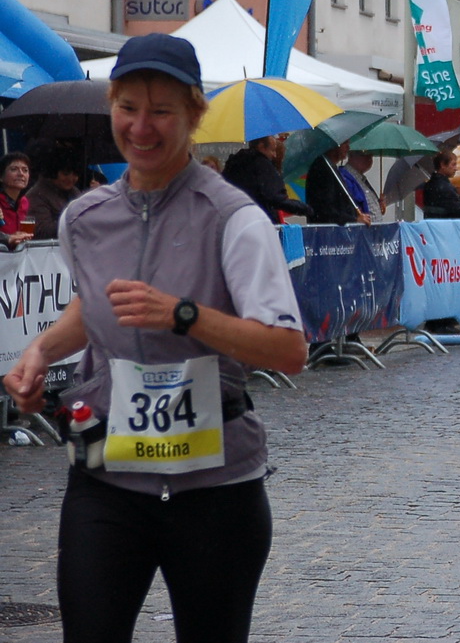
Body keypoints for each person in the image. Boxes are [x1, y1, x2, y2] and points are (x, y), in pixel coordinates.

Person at [2, 33, 306, 643]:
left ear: (194, 114)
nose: (142, 126)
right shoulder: (85, 220)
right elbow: (97, 306)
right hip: (106, 475)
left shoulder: (234, 218)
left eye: (162, 111)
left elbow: (288, 350)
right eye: (128, 108)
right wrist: (38, 352)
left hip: (215, 487)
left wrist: (186, 316)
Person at [223, 134, 310, 222]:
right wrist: (306, 209)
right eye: (272, 150)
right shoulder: (262, 164)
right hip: (260, 220)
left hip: (235, 220)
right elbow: (276, 198)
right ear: (261, 146)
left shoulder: (234, 164)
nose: (274, 155)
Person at [305, 142, 369, 226]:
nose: (348, 147)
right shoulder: (322, 168)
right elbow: (325, 209)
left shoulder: (332, 167)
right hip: (327, 232)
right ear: (334, 144)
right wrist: (353, 219)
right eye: (345, 143)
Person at [421, 151, 460, 219]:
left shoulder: (430, 184)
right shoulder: (445, 187)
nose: (456, 169)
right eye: (453, 164)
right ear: (443, 165)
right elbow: (458, 209)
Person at [1, 151, 31, 249]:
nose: (21, 174)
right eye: (14, 169)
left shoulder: (24, 202)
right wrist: (8, 239)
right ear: (1, 177)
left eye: (25, 170)